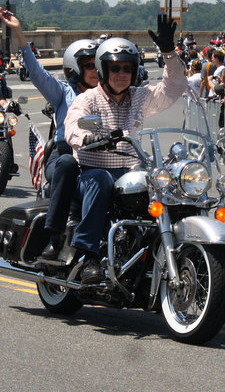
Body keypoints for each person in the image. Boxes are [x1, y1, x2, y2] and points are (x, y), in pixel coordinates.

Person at [64, 15, 186, 284]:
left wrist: (169, 53)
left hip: (129, 171)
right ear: (103, 69)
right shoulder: (88, 99)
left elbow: (174, 88)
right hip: (90, 171)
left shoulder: (140, 97)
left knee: (166, 183)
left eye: (127, 69)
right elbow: (72, 125)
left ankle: (148, 253)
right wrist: (84, 136)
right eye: (115, 68)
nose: (121, 74)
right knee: (100, 179)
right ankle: (89, 256)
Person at [0, 8, 99, 260]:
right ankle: (53, 236)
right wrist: (19, 34)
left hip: (99, 157)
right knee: (66, 164)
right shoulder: (63, 93)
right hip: (65, 155)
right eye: (88, 65)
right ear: (75, 68)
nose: (94, 70)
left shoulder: (109, 96)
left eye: (98, 65)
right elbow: (37, 74)